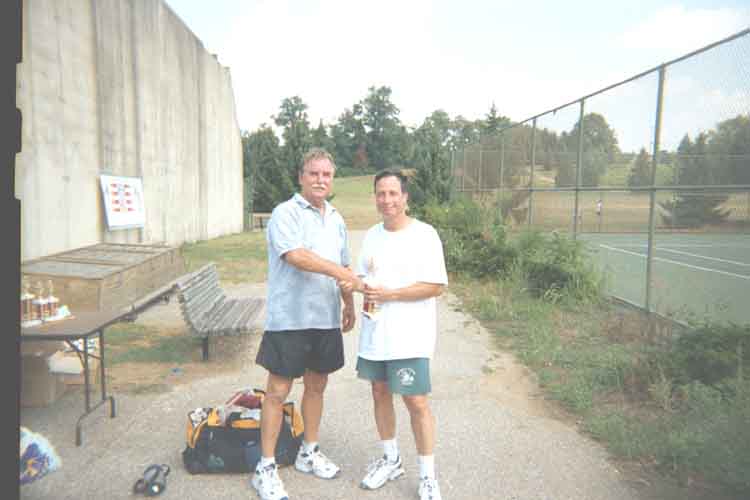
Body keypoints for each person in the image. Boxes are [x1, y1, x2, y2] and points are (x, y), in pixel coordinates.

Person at [251, 148, 357, 500]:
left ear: (332, 178)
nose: (320, 180)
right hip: (290, 319)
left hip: (324, 319)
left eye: (326, 174)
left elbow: (344, 266)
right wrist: (339, 271)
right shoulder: (286, 213)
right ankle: (265, 467)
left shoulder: (337, 219)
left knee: (316, 387)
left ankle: (308, 452)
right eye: (314, 173)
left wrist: (348, 303)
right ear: (301, 177)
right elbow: (295, 255)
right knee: (278, 392)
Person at [339, 170, 448, 500]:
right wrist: (352, 284)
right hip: (376, 334)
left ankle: (428, 477)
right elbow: (365, 279)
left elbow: (436, 285)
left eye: (392, 193)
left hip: (409, 336)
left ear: (405, 197)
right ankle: (391, 460)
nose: (386, 200)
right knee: (379, 392)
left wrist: (393, 295)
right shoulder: (372, 235)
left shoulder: (424, 235)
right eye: (380, 194)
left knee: (416, 401)